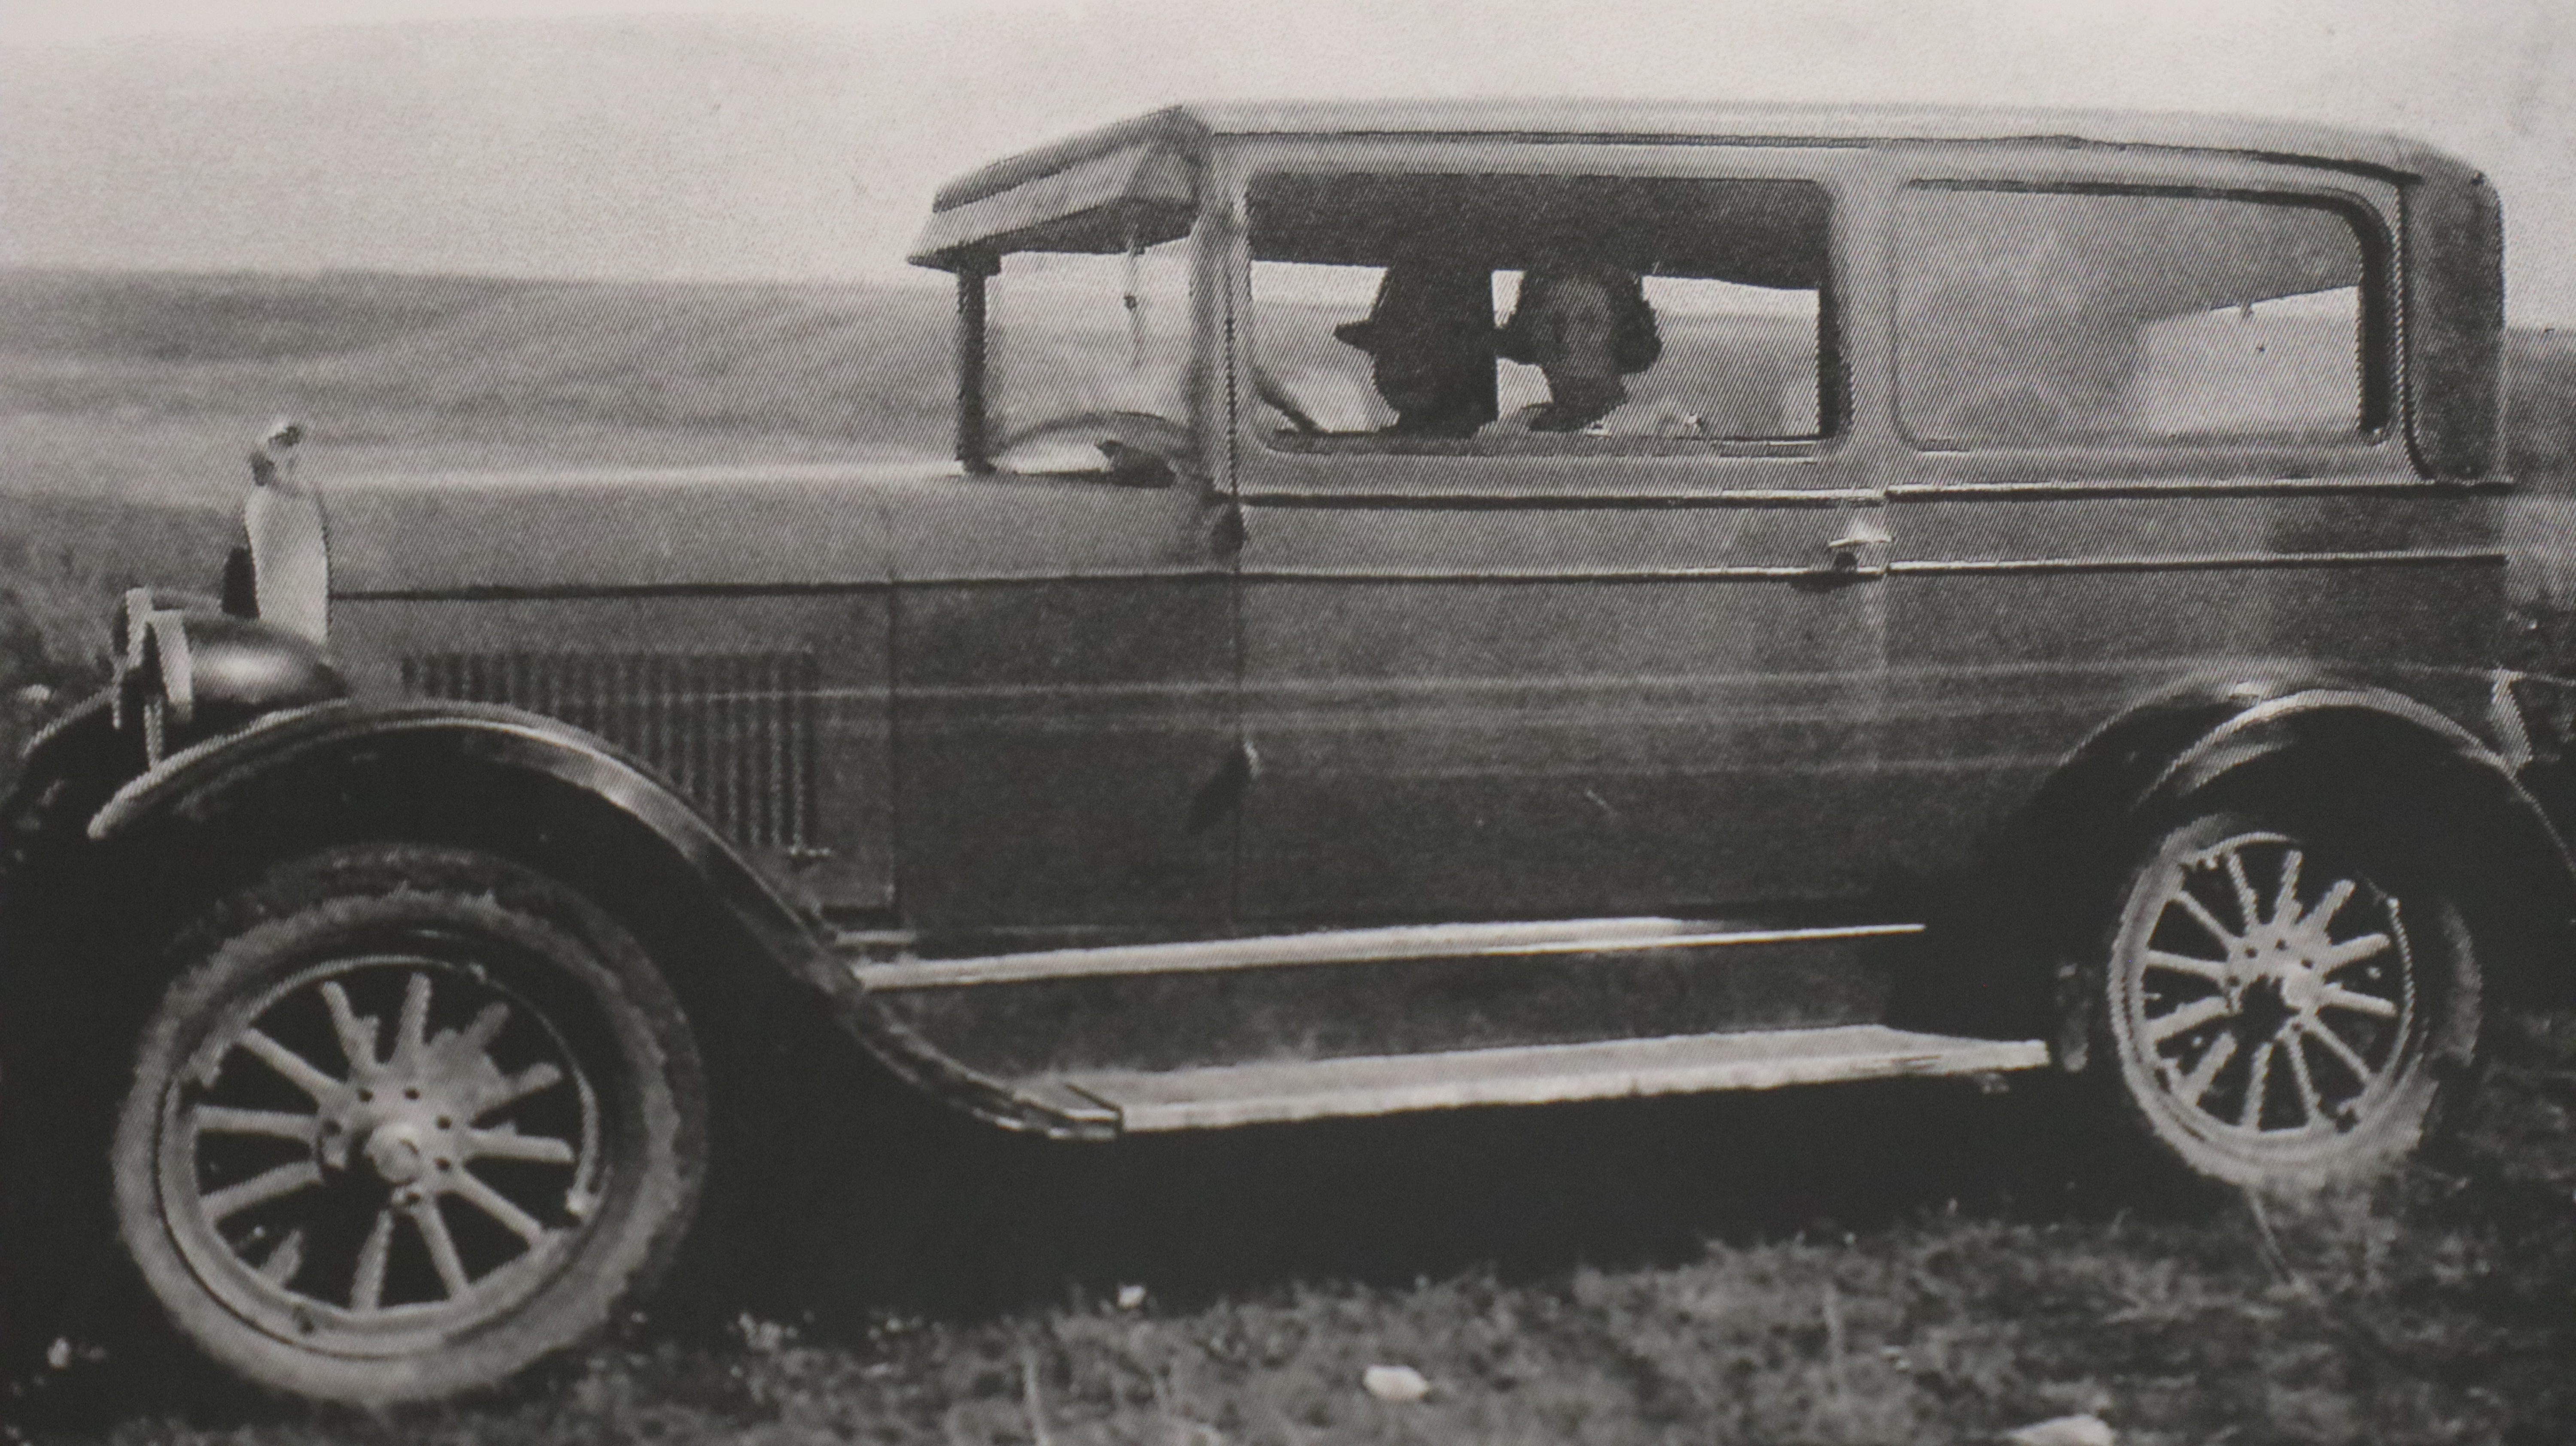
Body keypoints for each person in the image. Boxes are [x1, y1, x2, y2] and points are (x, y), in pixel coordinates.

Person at [1483, 263, 1684, 436]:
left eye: (1590, 324)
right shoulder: (1504, 435)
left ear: (1624, 336)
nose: (1569, 340)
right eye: (1555, 324)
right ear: (1530, 336)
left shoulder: (1662, 432)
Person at [1331, 256, 1500, 437]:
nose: (1395, 369)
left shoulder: (1489, 447)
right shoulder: (1384, 448)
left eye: (1417, 351)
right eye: (1384, 353)